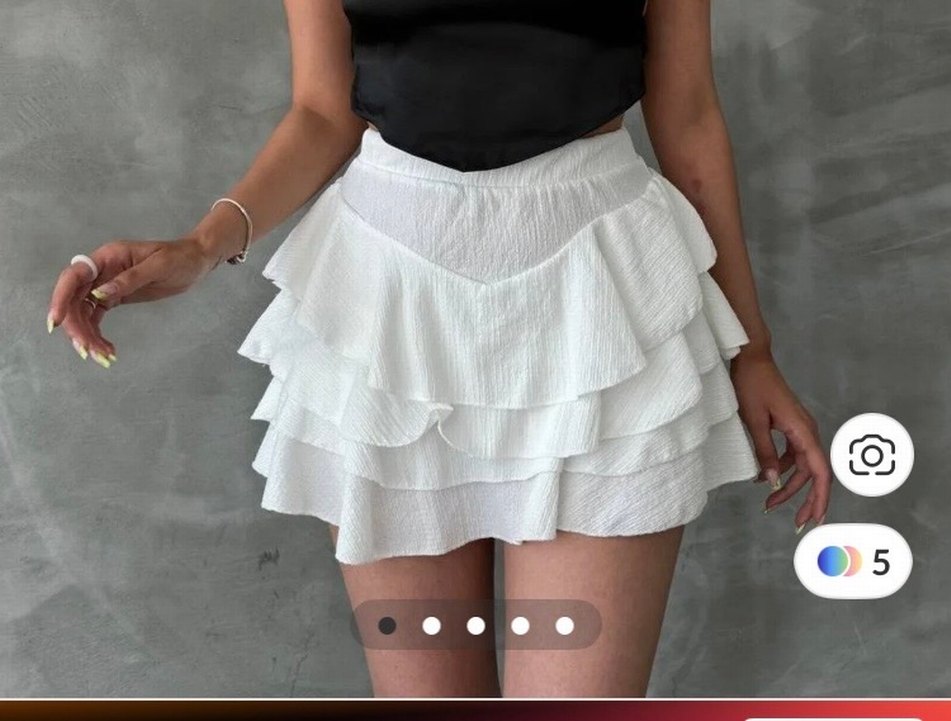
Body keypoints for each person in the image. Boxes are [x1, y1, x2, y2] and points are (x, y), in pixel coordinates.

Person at [46, 0, 832, 698]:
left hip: (603, 301)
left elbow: (685, 112)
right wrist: (201, 245)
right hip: (389, 307)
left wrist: (751, 350)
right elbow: (322, 109)